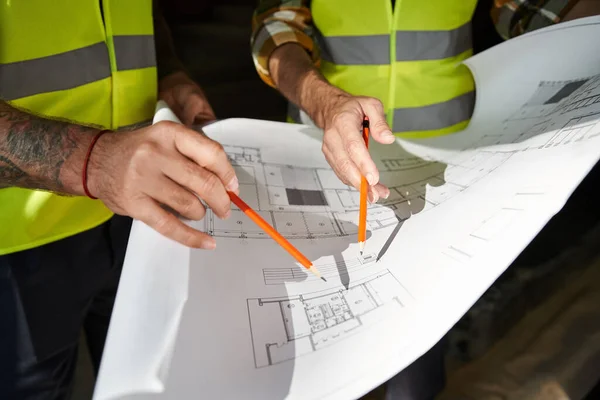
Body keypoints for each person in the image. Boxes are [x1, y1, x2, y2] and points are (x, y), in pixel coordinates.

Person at [250, 0, 599, 399]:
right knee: (319, 340)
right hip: (330, 160)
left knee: (416, 342)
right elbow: (275, 28)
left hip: (445, 172)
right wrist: (323, 101)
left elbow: (533, 11)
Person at [0, 1, 237, 398]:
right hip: (20, 244)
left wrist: (169, 76)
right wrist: (97, 161)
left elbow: (141, 15)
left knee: (151, 384)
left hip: (135, 218)